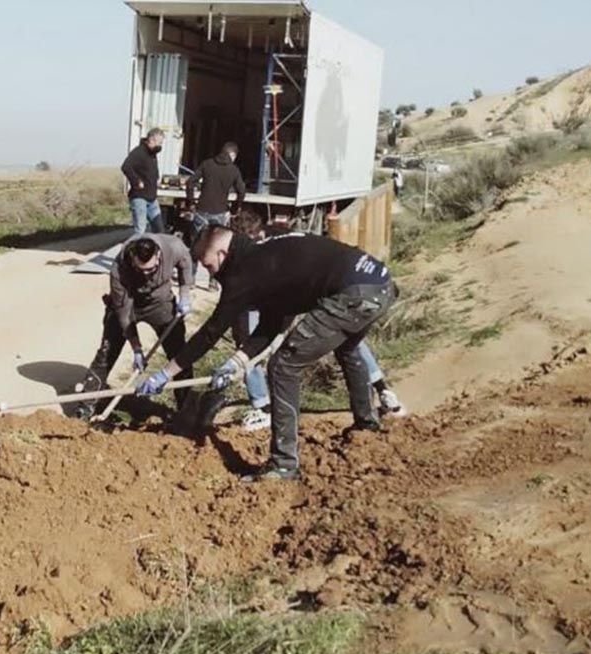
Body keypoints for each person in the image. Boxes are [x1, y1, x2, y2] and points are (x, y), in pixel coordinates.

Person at [137, 227, 397, 482]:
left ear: (222, 255)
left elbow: (210, 333)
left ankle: (283, 465)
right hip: (378, 283)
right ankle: (367, 425)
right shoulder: (268, 257)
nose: (212, 275)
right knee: (348, 347)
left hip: (354, 294)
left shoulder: (244, 273)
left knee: (283, 366)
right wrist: (236, 362)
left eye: (209, 267)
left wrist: (165, 373)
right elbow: (272, 323)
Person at [227, 211, 407, 424]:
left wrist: (254, 345)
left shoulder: (269, 250)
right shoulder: (277, 238)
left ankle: (265, 411)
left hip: (313, 291)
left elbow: (280, 310)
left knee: (281, 360)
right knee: (349, 343)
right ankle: (262, 406)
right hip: (317, 289)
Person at [75, 233, 194, 419]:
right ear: (132, 258)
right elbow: (124, 315)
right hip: (128, 305)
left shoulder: (174, 247)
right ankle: (86, 405)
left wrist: (185, 293)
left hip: (160, 304)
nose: (147, 275)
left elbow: (186, 263)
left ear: (158, 256)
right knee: (107, 352)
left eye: (152, 269)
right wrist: (137, 349)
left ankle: (186, 409)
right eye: (142, 270)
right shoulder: (119, 270)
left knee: (179, 352)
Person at [185, 141, 247, 242]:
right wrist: (235, 208)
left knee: (197, 242)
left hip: (202, 209)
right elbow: (242, 191)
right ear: (232, 155)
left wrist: (191, 202)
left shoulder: (207, 164)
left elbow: (190, 182)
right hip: (220, 211)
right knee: (216, 242)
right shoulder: (234, 170)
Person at [121, 128, 166, 235]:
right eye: (159, 142)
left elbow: (151, 171)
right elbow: (126, 166)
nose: (160, 146)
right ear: (151, 139)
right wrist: (136, 181)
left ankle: (158, 250)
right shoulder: (139, 152)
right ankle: (136, 250)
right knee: (140, 230)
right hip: (139, 198)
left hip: (152, 198)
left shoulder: (152, 154)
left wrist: (157, 179)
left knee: (159, 229)